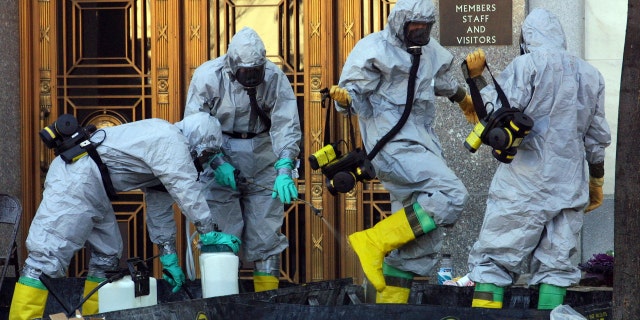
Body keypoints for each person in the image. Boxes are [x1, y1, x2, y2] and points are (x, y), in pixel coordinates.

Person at [9, 112, 241, 319]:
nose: (203, 160)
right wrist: (208, 232)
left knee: (107, 254)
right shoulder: (169, 139)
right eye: (205, 153)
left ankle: (94, 316)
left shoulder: (166, 151)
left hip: (94, 184)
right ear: (197, 140)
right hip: (75, 179)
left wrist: (168, 256)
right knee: (46, 257)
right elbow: (186, 189)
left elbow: (160, 206)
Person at [329, 0, 475, 304]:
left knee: (418, 242)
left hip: (423, 143)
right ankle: (373, 240)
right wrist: (344, 101)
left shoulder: (432, 50)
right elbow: (351, 94)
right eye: (414, 28)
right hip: (391, 145)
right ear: (400, 24)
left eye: (426, 28)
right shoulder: (374, 50)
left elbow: (443, 83)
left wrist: (465, 100)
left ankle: (390, 308)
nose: (420, 33)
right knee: (451, 195)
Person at [465, 8, 611, 310]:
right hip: (570, 184)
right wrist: (596, 180)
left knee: (495, 260)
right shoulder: (591, 75)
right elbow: (597, 137)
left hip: (524, 184)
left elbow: (496, 112)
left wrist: (477, 79)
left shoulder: (527, 65)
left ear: (528, 37)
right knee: (556, 267)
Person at [184, 26, 302, 292]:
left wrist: (284, 166)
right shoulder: (207, 76)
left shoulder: (274, 77)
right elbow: (195, 124)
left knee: (266, 236)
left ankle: (267, 303)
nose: (251, 78)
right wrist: (215, 161)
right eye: (245, 73)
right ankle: (220, 303)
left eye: (255, 72)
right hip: (220, 151)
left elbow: (286, 124)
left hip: (263, 155)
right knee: (222, 237)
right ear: (232, 65)